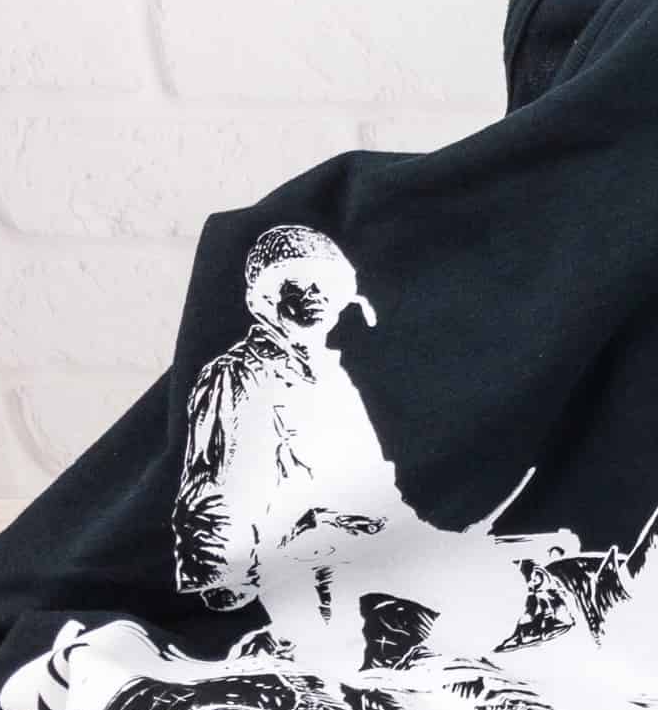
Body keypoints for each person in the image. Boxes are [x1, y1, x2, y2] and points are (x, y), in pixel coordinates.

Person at [173, 224, 553, 669]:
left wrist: (418, 537)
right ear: (265, 297)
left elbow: (372, 484)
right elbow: (219, 483)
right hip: (300, 564)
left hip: (367, 548)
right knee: (353, 654)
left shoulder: (332, 380)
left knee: (500, 580)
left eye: (326, 282)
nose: (315, 293)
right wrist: (223, 578)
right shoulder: (239, 375)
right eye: (299, 281)